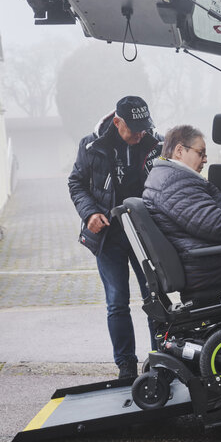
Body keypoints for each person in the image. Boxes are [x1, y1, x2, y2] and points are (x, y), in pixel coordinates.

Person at [68, 95, 162, 379]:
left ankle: (162, 360)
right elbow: (76, 183)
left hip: (145, 234)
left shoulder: (156, 144)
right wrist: (89, 214)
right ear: (117, 122)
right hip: (109, 235)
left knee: (156, 300)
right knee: (117, 301)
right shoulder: (91, 145)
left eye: (144, 127)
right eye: (133, 129)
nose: (140, 134)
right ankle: (125, 367)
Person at [142, 125, 221, 290]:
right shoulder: (174, 183)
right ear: (180, 151)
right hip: (212, 268)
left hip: (208, 262)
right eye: (200, 153)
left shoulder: (170, 178)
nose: (205, 159)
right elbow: (217, 224)